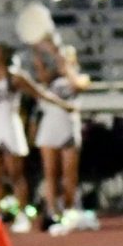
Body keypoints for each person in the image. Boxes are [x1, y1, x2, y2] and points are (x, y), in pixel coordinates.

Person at [0, 42, 74, 233]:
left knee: (16, 174)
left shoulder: (15, 78)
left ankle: (22, 214)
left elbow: (40, 93)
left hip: (9, 126)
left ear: (3, 56)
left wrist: (63, 105)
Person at [31, 41, 93, 235]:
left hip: (68, 128)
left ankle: (69, 209)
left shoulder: (80, 77)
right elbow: (40, 74)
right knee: (50, 174)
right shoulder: (52, 79)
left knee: (69, 175)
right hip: (50, 127)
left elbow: (78, 85)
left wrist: (66, 66)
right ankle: (52, 211)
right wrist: (39, 50)